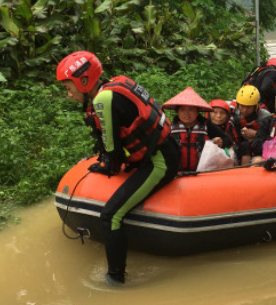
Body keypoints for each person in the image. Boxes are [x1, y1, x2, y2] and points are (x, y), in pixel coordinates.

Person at [57, 51, 178, 285]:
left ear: (84, 81)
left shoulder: (103, 100)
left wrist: (106, 165)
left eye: (69, 87)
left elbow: (113, 152)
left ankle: (115, 279)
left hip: (159, 162)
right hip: (163, 150)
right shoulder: (115, 84)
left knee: (110, 215)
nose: (68, 94)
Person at [163, 87, 232, 172]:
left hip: (202, 172)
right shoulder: (170, 127)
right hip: (177, 173)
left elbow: (228, 141)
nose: (186, 114)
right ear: (178, 112)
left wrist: (222, 141)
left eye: (191, 110)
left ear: (197, 111)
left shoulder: (207, 125)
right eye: (183, 110)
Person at [231, 85, 271, 165]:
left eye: (249, 107)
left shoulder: (265, 116)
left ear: (255, 107)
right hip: (239, 145)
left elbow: (272, 137)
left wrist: (256, 134)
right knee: (244, 145)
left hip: (258, 147)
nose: (244, 110)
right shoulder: (233, 111)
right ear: (238, 104)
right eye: (242, 106)